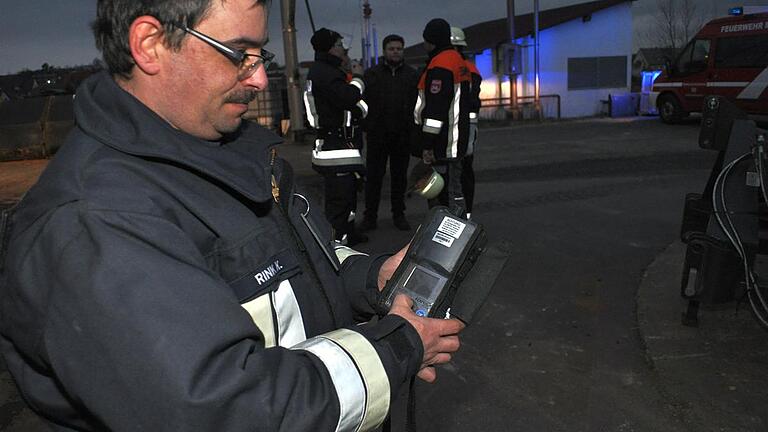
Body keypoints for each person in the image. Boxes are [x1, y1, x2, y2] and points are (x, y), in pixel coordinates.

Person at [0, 1, 466, 430]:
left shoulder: (237, 152)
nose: (260, 78)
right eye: (238, 52)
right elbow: (227, 408)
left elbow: (297, 266)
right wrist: (398, 347)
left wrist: (371, 277)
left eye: (259, 54)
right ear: (150, 44)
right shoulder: (96, 221)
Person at [304, 28, 368, 246]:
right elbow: (348, 97)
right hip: (335, 148)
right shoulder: (325, 73)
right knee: (339, 201)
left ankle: (349, 232)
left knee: (349, 196)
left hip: (341, 145)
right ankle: (337, 247)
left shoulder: (326, 71)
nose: (344, 49)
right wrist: (358, 76)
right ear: (330, 48)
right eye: (340, 45)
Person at [413, 18, 472, 217]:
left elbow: (435, 111)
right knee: (454, 191)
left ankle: (449, 235)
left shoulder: (440, 65)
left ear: (431, 41)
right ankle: (458, 228)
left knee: (441, 195)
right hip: (455, 140)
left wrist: (427, 144)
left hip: (443, 144)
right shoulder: (457, 60)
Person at [360, 34, 418, 232]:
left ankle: (399, 215)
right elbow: (363, 103)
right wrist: (368, 126)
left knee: (399, 178)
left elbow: (416, 105)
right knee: (374, 178)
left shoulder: (411, 75)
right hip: (378, 135)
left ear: (403, 50)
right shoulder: (372, 75)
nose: (395, 52)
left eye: (399, 49)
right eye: (392, 48)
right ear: (384, 51)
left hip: (402, 136)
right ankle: (370, 217)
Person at [450, 26, 482, 220]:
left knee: (461, 171)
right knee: (463, 170)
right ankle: (464, 211)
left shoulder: (462, 69)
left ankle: (462, 212)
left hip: (463, 127)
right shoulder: (470, 67)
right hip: (466, 126)